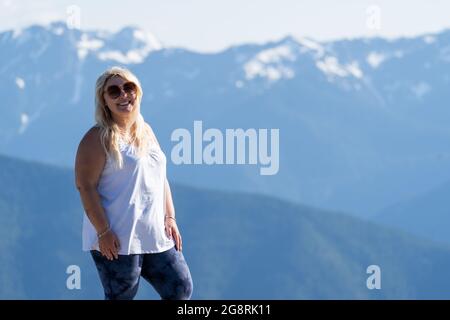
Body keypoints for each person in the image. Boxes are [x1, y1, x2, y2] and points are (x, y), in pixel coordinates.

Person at [74, 66, 193, 300]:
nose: (124, 95)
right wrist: (103, 231)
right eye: (114, 91)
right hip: (117, 236)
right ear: (104, 100)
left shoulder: (145, 131)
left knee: (180, 287)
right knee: (122, 295)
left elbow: (160, 177)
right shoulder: (96, 138)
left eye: (129, 88)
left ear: (137, 92)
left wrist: (170, 217)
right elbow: (84, 186)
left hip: (154, 232)